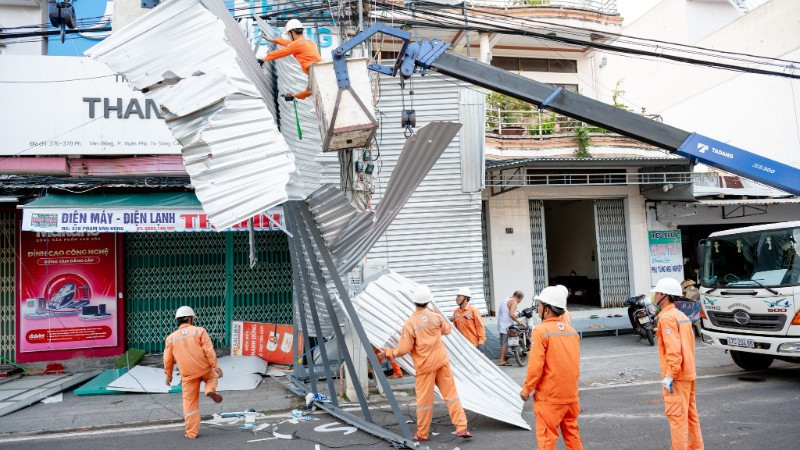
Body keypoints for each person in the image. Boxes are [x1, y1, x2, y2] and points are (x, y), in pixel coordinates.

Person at [379, 285, 472, 442]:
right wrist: (436, 316)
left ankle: (422, 434)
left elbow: (404, 348)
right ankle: (461, 427)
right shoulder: (436, 317)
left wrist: (388, 352)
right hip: (442, 363)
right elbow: (447, 330)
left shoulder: (410, 323)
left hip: (425, 367)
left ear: (414, 302)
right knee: (451, 396)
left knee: (424, 403)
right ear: (428, 301)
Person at [520, 286, 582, 450]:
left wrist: (527, 389)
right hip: (570, 396)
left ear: (546, 309)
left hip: (550, 397)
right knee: (572, 437)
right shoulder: (572, 332)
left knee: (547, 439)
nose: (537, 308)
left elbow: (535, 365)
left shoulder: (541, 331)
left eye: (539, 305)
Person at [652, 278, 704, 450]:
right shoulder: (681, 316)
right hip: (688, 374)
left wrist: (670, 375)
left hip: (678, 377)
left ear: (665, 296)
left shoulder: (666, 318)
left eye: (657, 293)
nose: (654, 296)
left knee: (677, 420)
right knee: (690, 417)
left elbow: (674, 352)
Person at [164, 306, 224, 439]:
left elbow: (167, 359)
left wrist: (168, 376)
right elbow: (209, 350)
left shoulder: (171, 338)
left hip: (188, 375)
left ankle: (191, 433)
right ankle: (210, 390)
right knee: (212, 379)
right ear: (190, 318)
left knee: (190, 403)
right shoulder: (200, 331)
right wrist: (216, 367)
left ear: (178, 320)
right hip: (204, 369)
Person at [259, 18, 322, 100]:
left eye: (289, 34)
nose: (289, 36)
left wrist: (264, 59)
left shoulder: (297, 44)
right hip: (319, 69)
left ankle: (295, 96)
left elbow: (281, 52)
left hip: (314, 70)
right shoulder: (308, 41)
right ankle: (294, 96)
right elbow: (288, 43)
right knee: (311, 91)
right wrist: (273, 40)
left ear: (292, 32)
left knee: (311, 91)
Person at [452, 287, 486, 352]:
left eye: (459, 296)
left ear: (465, 298)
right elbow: (455, 328)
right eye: (457, 296)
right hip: (462, 345)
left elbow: (480, 327)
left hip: (474, 345)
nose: (456, 298)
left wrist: (481, 342)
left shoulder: (473, 310)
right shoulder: (456, 312)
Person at [498, 290, 526, 366]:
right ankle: (501, 360)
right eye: (521, 300)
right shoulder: (514, 301)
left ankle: (504, 357)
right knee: (505, 343)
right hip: (506, 324)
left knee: (503, 342)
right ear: (519, 298)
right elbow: (511, 314)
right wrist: (519, 321)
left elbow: (508, 312)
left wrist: (515, 316)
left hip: (501, 323)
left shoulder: (506, 299)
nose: (520, 301)